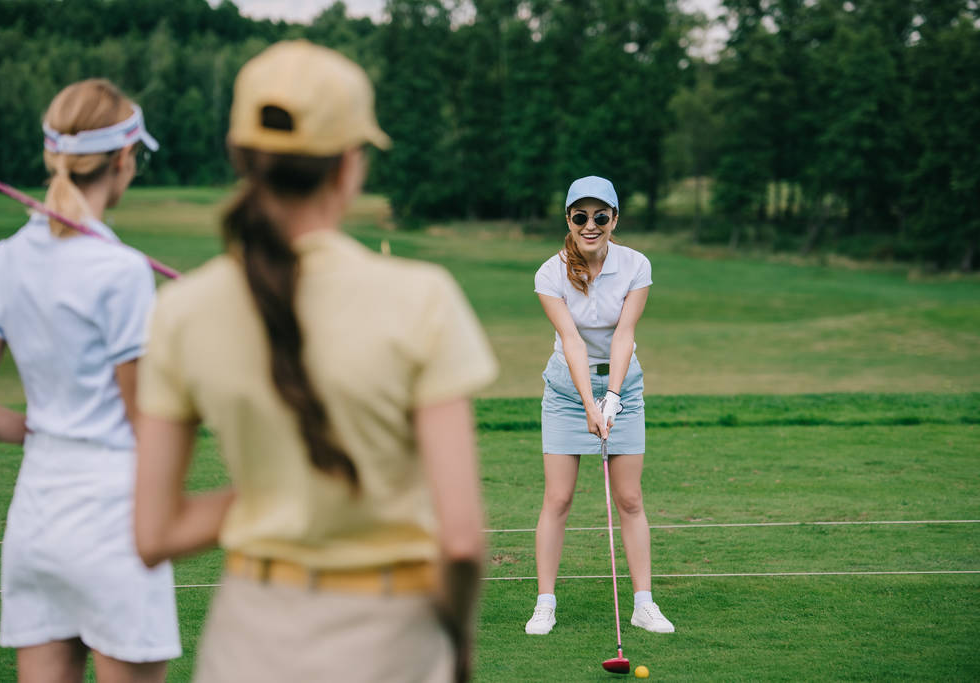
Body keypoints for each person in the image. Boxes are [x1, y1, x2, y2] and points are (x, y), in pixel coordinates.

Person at [132, 41, 498, 683]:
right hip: (390, 638)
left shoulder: (180, 311)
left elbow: (154, 534)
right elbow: (462, 541)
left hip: (247, 639)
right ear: (349, 166)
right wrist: (459, 647)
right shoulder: (423, 298)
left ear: (241, 157)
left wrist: (275, 494)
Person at [0, 79, 179, 680]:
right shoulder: (124, 271)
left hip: (37, 519)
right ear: (124, 159)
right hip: (113, 519)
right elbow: (146, 419)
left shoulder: (4, 259)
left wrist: (48, 433)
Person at [525, 175, 674, 636]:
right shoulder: (550, 274)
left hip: (623, 391)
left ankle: (643, 604)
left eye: (600, 216)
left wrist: (611, 399)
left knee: (629, 499)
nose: (591, 225)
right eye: (580, 216)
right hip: (567, 395)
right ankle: (544, 603)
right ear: (568, 219)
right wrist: (590, 403)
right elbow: (571, 341)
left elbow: (624, 334)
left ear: (615, 219)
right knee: (559, 497)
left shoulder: (635, 265)